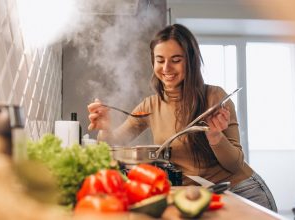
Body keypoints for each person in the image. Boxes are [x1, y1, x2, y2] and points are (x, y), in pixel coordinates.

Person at [87, 23, 277, 212]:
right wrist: (105, 127)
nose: (166, 68)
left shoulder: (215, 97)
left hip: (242, 191)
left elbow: (235, 164)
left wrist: (215, 136)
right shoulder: (150, 105)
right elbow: (113, 143)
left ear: (191, 61)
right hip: (200, 195)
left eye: (176, 59)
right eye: (160, 60)